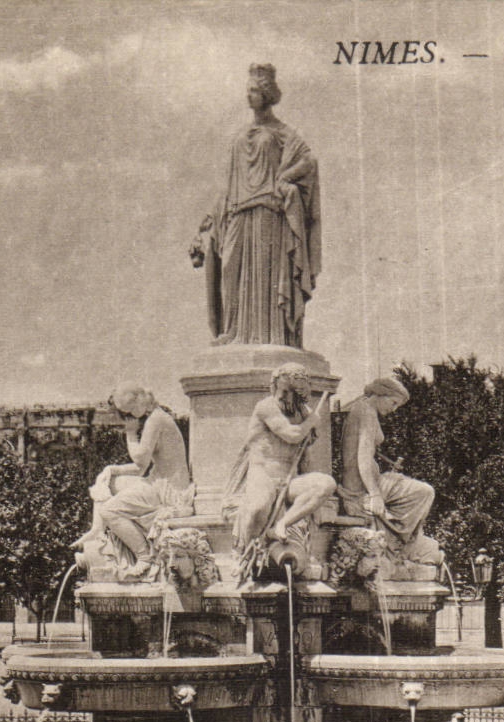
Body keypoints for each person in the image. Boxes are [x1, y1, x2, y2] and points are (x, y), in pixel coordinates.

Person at [190, 64, 320, 347]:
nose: (249, 96)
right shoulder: (240, 134)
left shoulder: (282, 132)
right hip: (236, 212)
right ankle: (232, 331)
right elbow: (227, 183)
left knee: (264, 280)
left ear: (267, 94)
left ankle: (271, 336)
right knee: (230, 272)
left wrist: (284, 177)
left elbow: (309, 162)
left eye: (254, 90)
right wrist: (207, 223)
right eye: (247, 90)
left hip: (266, 214)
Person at [73, 383, 193, 579]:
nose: (127, 418)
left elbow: (140, 461)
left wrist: (130, 434)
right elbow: (140, 469)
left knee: (109, 510)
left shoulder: (156, 421)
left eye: (126, 413)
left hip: (167, 488)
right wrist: (111, 469)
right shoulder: (157, 417)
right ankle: (96, 529)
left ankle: (144, 556)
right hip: (158, 481)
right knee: (107, 481)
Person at [225, 363, 335, 564]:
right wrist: (312, 421)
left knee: (325, 484)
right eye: (278, 389)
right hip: (263, 474)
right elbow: (292, 434)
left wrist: (312, 498)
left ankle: (282, 523)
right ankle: (247, 551)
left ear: (298, 393)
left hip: (288, 479)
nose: (281, 395)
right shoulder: (266, 407)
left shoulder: (303, 413)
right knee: (258, 506)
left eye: (287, 391)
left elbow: (305, 457)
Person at [339, 376, 442, 566]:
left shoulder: (361, 408)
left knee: (416, 489)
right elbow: (363, 456)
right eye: (393, 402)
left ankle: (402, 542)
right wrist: (375, 494)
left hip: (365, 481)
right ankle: (402, 545)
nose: (393, 409)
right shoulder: (367, 412)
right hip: (362, 487)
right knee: (425, 492)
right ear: (381, 393)